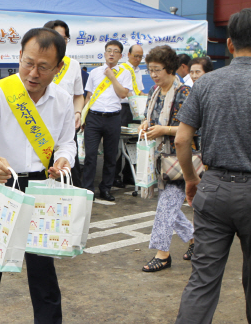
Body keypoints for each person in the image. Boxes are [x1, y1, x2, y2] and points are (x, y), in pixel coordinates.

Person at [0, 28, 76, 324]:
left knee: (42, 268)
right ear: (19, 57)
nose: (33, 72)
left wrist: (65, 159)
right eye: (28, 62)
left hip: (40, 186)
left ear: (59, 68)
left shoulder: (63, 100)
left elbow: (67, 141)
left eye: (43, 67)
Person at [174, 8, 251, 323]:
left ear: (230, 45)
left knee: (202, 280)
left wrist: (192, 178)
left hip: (214, 187)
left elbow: (181, 140)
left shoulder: (205, 84)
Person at [139, 45, 195, 272]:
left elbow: (191, 129)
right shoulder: (154, 91)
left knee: (166, 206)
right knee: (170, 205)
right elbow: (147, 116)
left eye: (157, 70)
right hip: (160, 158)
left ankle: (163, 254)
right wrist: (145, 124)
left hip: (179, 158)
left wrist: (163, 130)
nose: (153, 74)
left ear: (169, 68)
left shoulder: (184, 93)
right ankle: (195, 240)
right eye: (150, 69)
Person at [82, 40, 134, 201]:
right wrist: (83, 116)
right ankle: (88, 190)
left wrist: (112, 77)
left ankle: (105, 188)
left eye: (115, 51)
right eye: (109, 50)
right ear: (104, 53)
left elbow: (123, 94)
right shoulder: (95, 72)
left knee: (111, 156)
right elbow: (89, 96)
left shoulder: (124, 73)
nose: (111, 53)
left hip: (113, 118)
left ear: (120, 55)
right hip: (94, 118)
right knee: (90, 155)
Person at [43, 20, 84, 186]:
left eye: (64, 38)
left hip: (65, 124)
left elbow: (78, 95)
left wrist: (78, 113)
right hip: (40, 125)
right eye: (56, 37)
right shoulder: (39, 64)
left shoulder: (73, 65)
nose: (60, 42)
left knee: (67, 167)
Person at [114, 44, 147, 188]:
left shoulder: (139, 71)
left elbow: (138, 90)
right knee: (118, 143)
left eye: (141, 57)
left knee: (133, 141)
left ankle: (129, 174)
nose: (138, 59)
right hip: (123, 108)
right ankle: (114, 176)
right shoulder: (122, 69)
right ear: (128, 55)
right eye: (136, 56)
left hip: (135, 109)